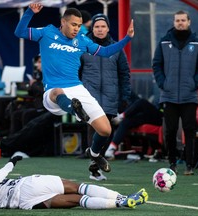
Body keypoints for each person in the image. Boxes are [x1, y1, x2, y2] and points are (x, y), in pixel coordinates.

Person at [14, 3, 134, 174]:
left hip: (77, 89)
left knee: (105, 130)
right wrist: (29, 13)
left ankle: (94, 153)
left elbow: (106, 52)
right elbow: (19, 32)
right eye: (73, 25)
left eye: (79, 25)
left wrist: (127, 38)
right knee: (57, 92)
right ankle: (75, 110)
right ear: (63, 22)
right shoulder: (47, 32)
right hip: (54, 91)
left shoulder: (83, 41)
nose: (77, 29)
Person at [0, 155, 148, 210]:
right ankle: (122, 198)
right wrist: (11, 163)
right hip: (28, 186)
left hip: (26, 204)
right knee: (78, 187)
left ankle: (117, 204)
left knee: (77, 200)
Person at [152, 10, 198, 175]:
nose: (180, 23)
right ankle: (172, 162)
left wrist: (194, 83)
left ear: (189, 22)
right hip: (169, 95)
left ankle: (189, 165)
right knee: (170, 131)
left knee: (190, 130)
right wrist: (163, 83)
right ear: (174, 22)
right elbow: (157, 64)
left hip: (189, 95)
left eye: (183, 20)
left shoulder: (197, 43)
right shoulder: (164, 42)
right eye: (177, 20)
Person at [79, 13, 131, 180]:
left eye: (103, 26)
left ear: (108, 28)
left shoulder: (116, 49)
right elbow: (75, 72)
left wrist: (125, 97)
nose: (100, 29)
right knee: (93, 128)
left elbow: (124, 74)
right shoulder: (83, 47)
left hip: (110, 95)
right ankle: (95, 167)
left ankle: (94, 161)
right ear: (92, 29)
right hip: (89, 96)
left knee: (107, 131)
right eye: (96, 26)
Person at [104, 95, 164, 160]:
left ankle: (121, 116)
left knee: (142, 102)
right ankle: (110, 149)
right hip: (147, 115)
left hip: (161, 117)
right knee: (126, 121)